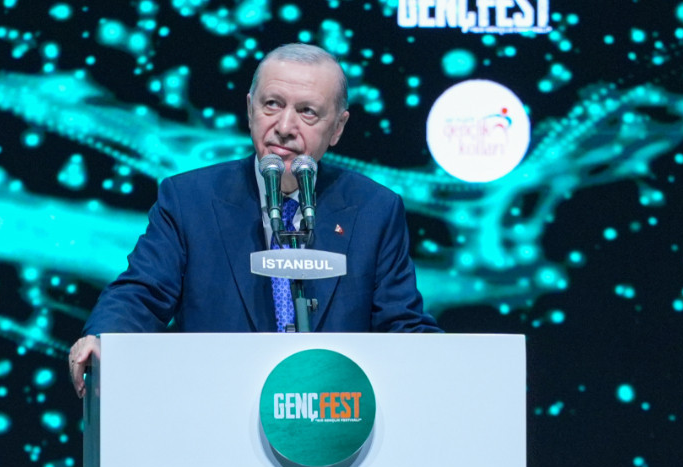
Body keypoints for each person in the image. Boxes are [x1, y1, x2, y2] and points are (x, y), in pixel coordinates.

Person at [68, 43, 441, 397]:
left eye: (307, 112)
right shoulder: (189, 201)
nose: (284, 126)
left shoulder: (374, 209)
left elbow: (402, 324)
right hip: (219, 406)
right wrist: (104, 339)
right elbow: (141, 293)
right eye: (272, 104)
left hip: (333, 415)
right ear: (250, 109)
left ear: (338, 127)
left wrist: (452, 363)